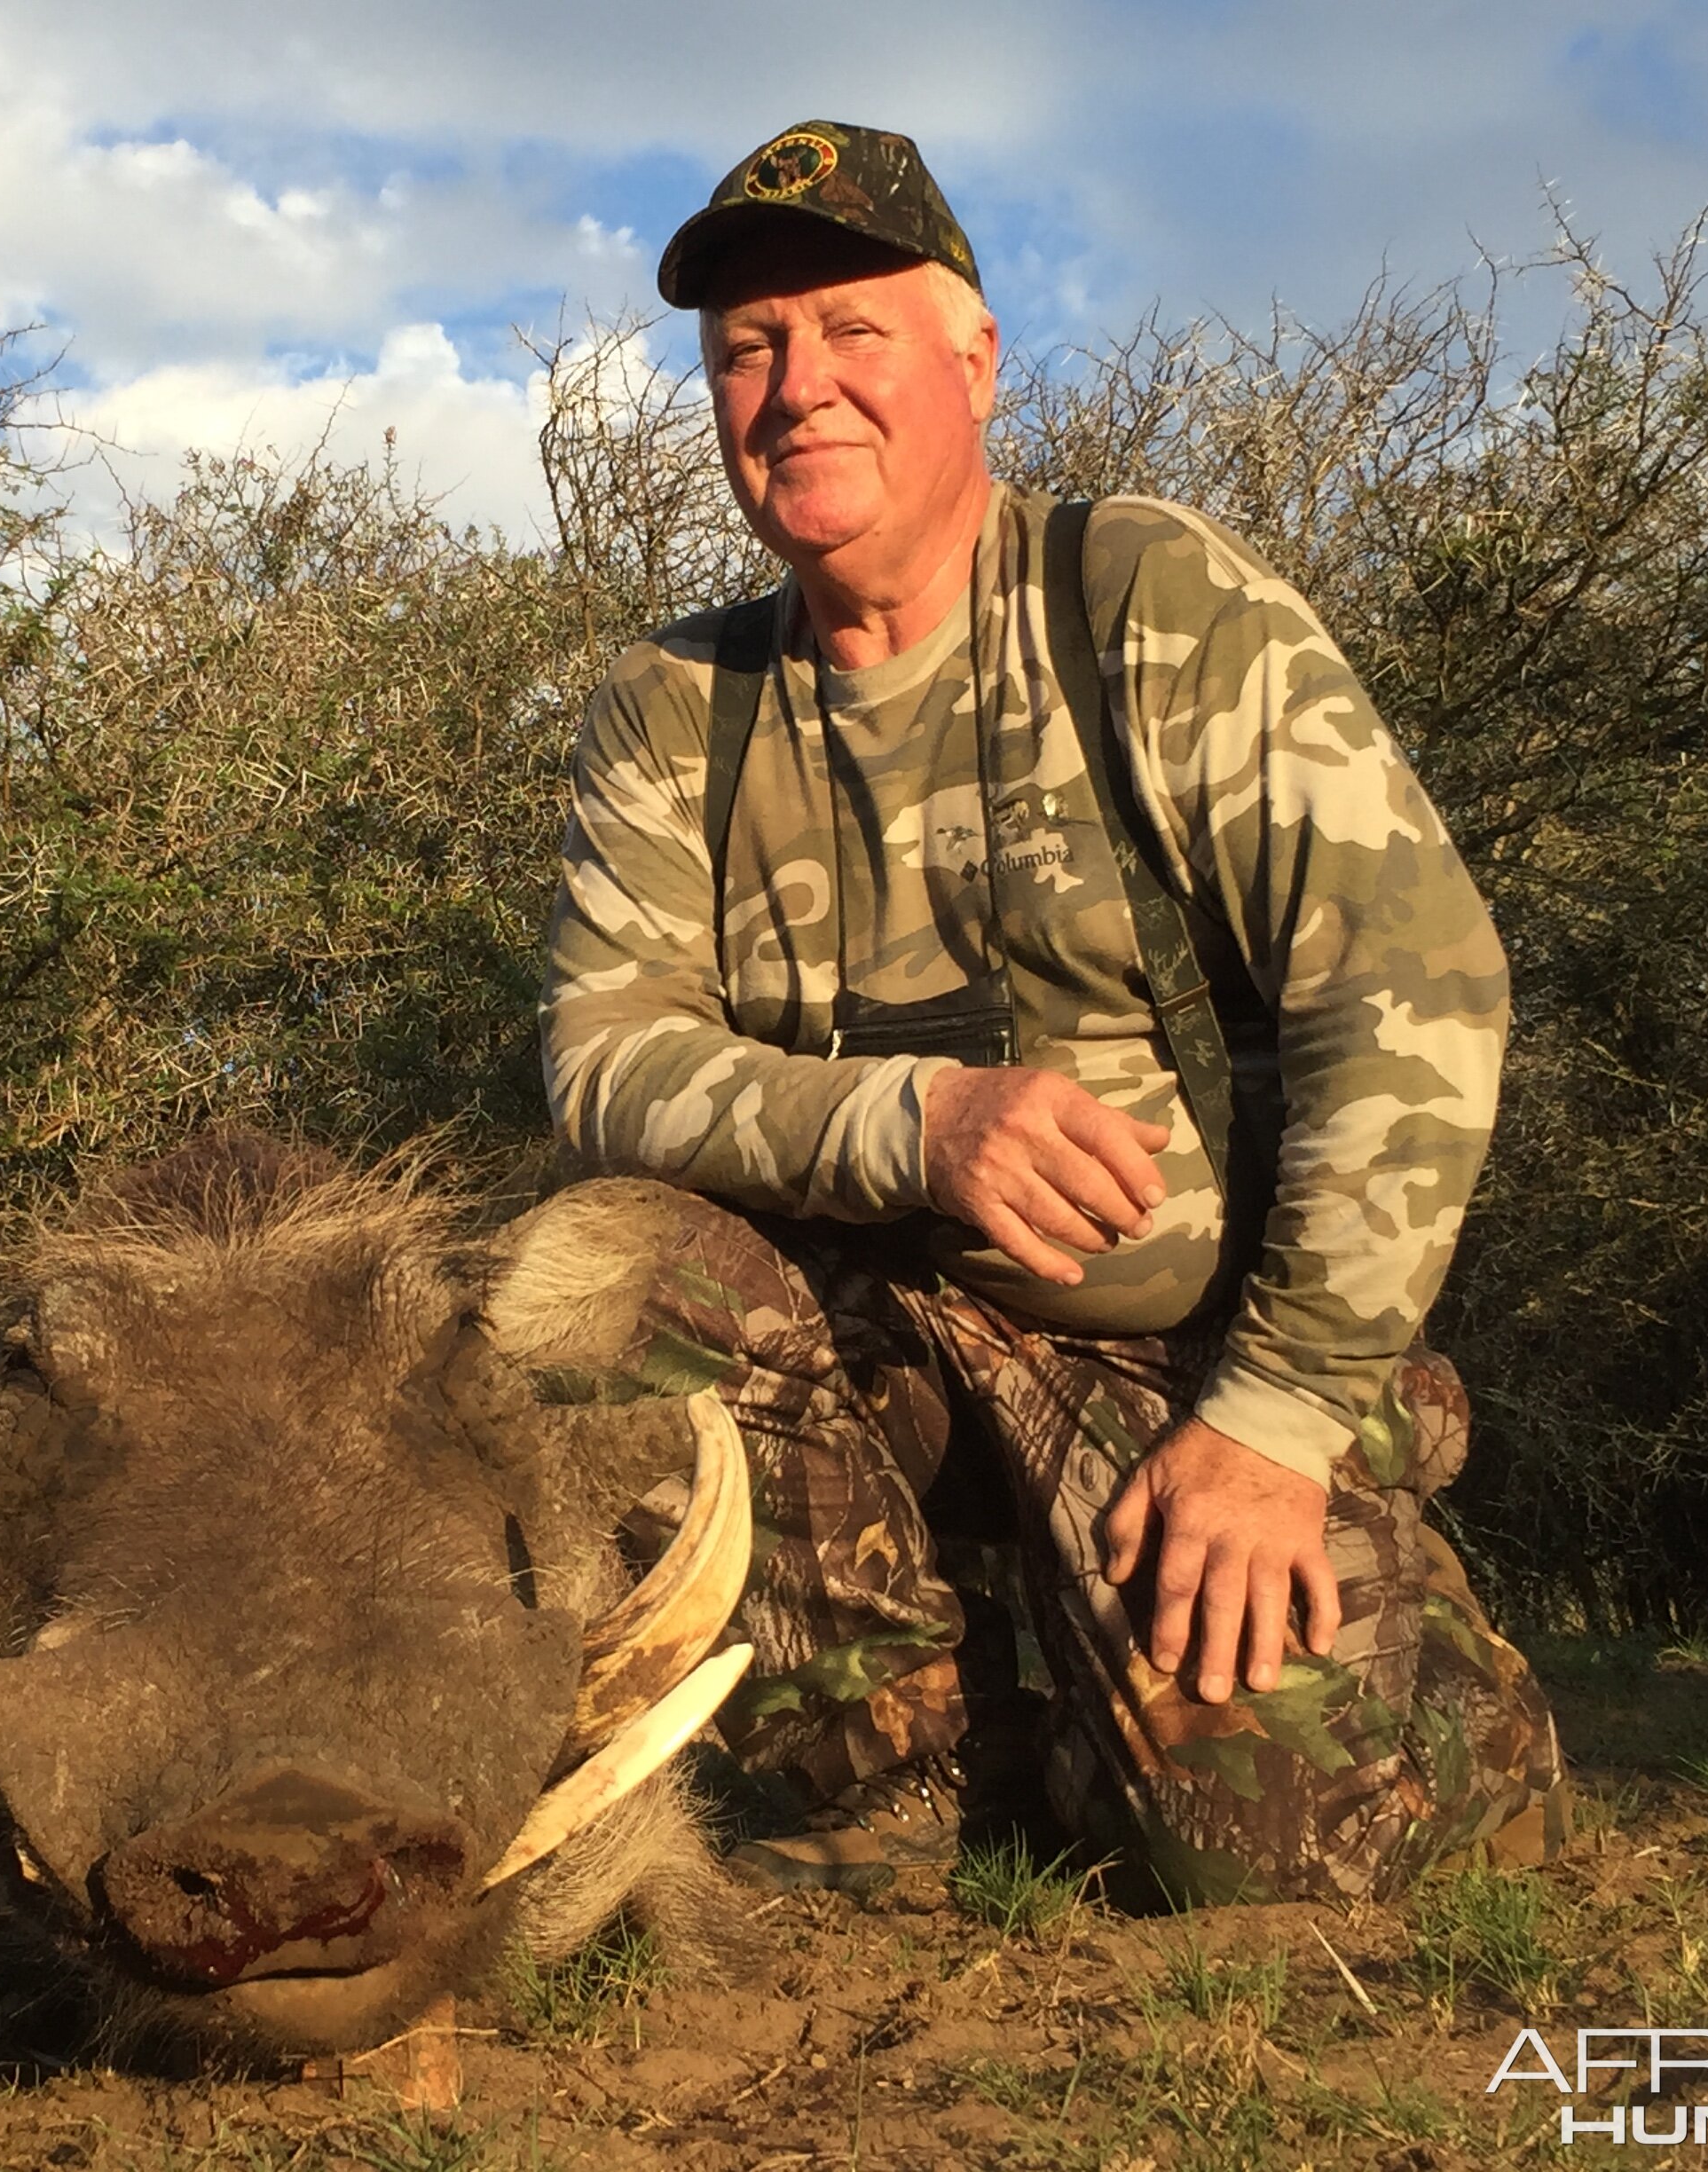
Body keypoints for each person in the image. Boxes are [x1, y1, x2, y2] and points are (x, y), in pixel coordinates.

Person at [539, 119, 1570, 1903]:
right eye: (749, 351)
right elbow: (602, 1062)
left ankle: (1410, 1683)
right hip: (859, 1340)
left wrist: (1277, 1419)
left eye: (851, 333)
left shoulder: (1145, 596)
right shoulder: (671, 703)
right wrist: (914, 1128)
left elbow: (1412, 987)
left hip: (1177, 1359)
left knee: (1266, 1864)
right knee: (598, 1267)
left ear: (972, 357)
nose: (798, 390)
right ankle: (890, 1779)